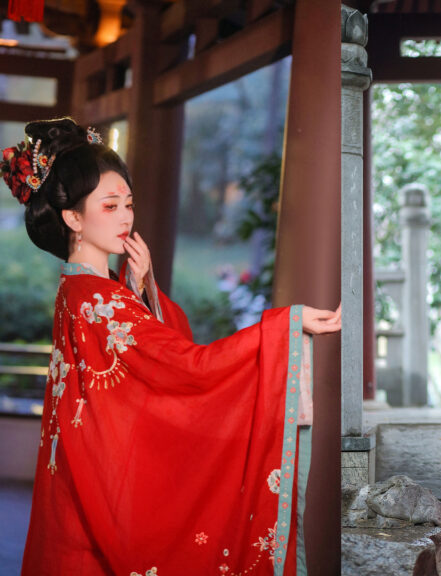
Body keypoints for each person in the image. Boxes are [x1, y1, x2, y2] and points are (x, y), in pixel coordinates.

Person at [1, 118, 340, 575]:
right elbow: (186, 366)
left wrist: (140, 291)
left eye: (128, 203)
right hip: (93, 492)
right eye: (109, 205)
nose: (125, 216)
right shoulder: (98, 299)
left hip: (77, 485)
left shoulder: (83, 290)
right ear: (72, 217)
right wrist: (282, 329)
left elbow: (146, 363)